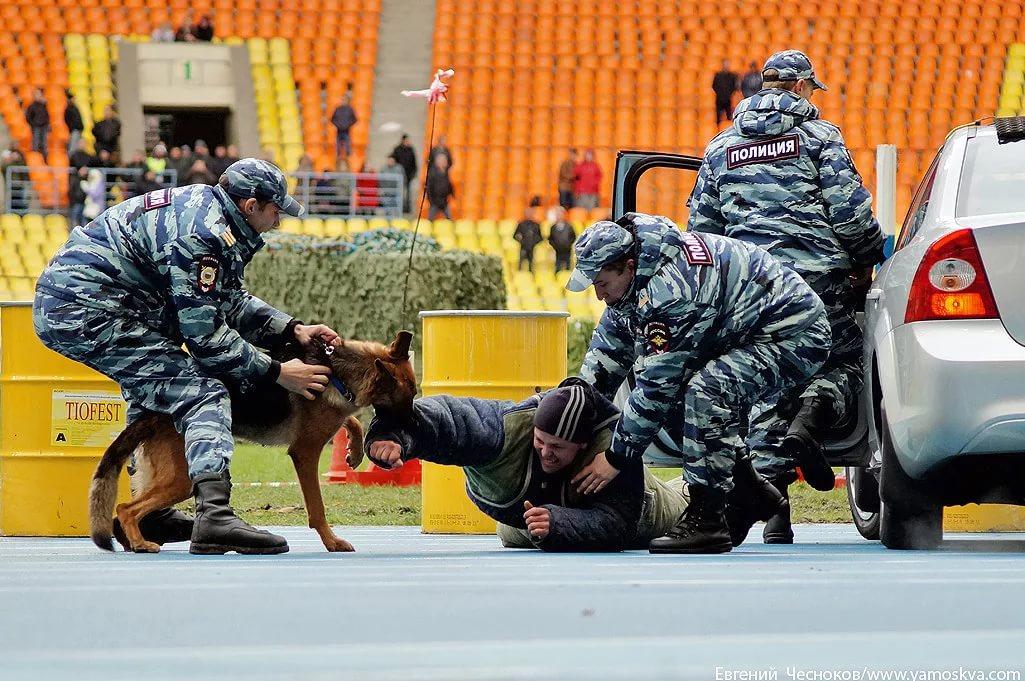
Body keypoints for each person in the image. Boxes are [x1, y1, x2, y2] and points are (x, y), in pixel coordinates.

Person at [34, 159, 340, 555]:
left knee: (155, 391)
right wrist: (279, 371)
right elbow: (206, 337)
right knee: (203, 392)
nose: (279, 220)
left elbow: (227, 299)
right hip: (86, 309)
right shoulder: (203, 235)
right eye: (275, 210)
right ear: (250, 205)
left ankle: (151, 514)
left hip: (111, 306)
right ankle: (214, 515)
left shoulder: (216, 219)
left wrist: (291, 329)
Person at [687, 49, 884, 543]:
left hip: (750, 290)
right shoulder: (820, 139)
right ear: (799, 88)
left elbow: (702, 234)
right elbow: (852, 215)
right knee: (844, 365)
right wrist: (865, 261)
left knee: (764, 383)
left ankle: (776, 513)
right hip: (818, 288)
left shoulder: (720, 148)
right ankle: (813, 415)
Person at [567, 213, 831, 553]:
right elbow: (606, 357)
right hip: (747, 331)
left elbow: (655, 390)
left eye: (601, 284)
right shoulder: (633, 281)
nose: (599, 296)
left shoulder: (670, 292)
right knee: (687, 393)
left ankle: (707, 519)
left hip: (795, 333)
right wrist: (572, 412)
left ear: (628, 266)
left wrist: (616, 458)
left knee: (707, 390)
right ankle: (749, 492)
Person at [365, 379, 688, 552]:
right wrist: (394, 436)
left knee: (687, 510)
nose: (546, 452)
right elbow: (447, 417)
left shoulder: (615, 448)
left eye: (558, 447)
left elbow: (617, 524)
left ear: (582, 444)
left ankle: (692, 487)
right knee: (511, 533)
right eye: (540, 440)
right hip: (530, 518)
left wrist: (559, 523)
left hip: (644, 510)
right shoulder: (507, 427)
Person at [391, 134, 417, 214]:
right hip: (399, 176)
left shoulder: (411, 149)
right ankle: (398, 208)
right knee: (398, 193)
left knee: (408, 194)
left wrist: (413, 173)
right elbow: (393, 160)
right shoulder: (397, 149)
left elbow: (414, 163)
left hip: (408, 176)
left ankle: (407, 209)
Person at [513, 207, 542, 272]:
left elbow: (540, 238)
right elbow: (515, 236)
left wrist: (534, 242)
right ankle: (519, 276)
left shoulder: (536, 225)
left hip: (532, 248)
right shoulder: (521, 224)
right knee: (521, 264)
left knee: (531, 265)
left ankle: (531, 278)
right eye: (527, 213)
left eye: (531, 213)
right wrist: (521, 240)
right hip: (523, 247)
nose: (529, 215)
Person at [548, 206, 576, 272]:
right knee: (558, 265)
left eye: (561, 214)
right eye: (558, 214)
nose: (559, 216)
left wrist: (568, 244)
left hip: (567, 249)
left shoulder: (569, 226)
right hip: (557, 250)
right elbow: (550, 238)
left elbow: (573, 236)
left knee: (567, 265)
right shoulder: (553, 227)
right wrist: (555, 246)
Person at [425, 154, 454, 220]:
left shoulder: (446, 173)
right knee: (430, 220)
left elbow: (449, 186)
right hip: (435, 202)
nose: (445, 162)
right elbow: (429, 188)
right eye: (443, 161)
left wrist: (452, 195)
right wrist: (431, 201)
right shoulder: (432, 173)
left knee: (449, 219)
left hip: (444, 201)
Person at [25, 88, 50, 161]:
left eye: (39, 94)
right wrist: (33, 124)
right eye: (36, 94)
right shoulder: (31, 106)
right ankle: (35, 159)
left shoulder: (43, 105)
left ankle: (44, 159)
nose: (38, 96)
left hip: (44, 126)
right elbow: (28, 117)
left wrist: (46, 123)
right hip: (36, 127)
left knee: (44, 144)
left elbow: (46, 115)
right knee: (35, 143)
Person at [330, 94, 358, 160]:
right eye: (342, 100)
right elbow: (332, 119)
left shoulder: (350, 109)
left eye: (344, 100)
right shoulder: (338, 109)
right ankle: (338, 156)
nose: (343, 101)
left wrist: (348, 125)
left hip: (346, 130)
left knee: (347, 144)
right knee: (338, 144)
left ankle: (348, 157)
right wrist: (337, 125)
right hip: (339, 130)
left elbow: (355, 119)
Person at [64, 90, 84, 158]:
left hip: (79, 131)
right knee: (72, 148)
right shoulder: (68, 109)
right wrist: (73, 128)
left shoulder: (75, 108)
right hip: (74, 131)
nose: (74, 100)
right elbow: (67, 121)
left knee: (77, 148)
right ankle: (71, 161)